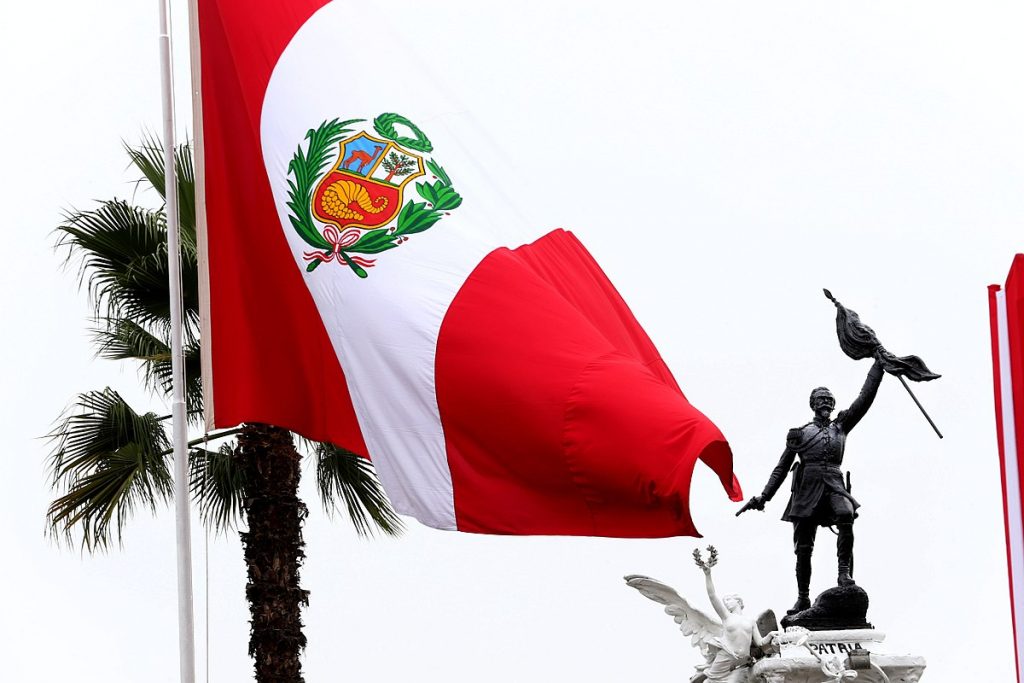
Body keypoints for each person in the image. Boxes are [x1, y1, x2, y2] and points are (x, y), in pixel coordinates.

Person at [737, 358, 884, 613]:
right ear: (813, 404)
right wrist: (764, 496)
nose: (826, 402)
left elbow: (865, 398)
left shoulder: (842, 426)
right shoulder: (800, 433)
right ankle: (803, 597)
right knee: (804, 548)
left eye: (829, 399)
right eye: (821, 399)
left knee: (845, 514)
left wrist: (878, 367)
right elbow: (782, 466)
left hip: (834, 484)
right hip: (806, 489)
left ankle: (843, 574)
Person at [699, 562, 776, 683]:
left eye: (729, 599)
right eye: (725, 601)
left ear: (738, 601)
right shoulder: (726, 617)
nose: (726, 603)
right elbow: (712, 596)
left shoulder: (750, 621)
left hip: (742, 660)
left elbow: (760, 642)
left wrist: (770, 635)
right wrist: (707, 575)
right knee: (710, 681)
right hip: (725, 657)